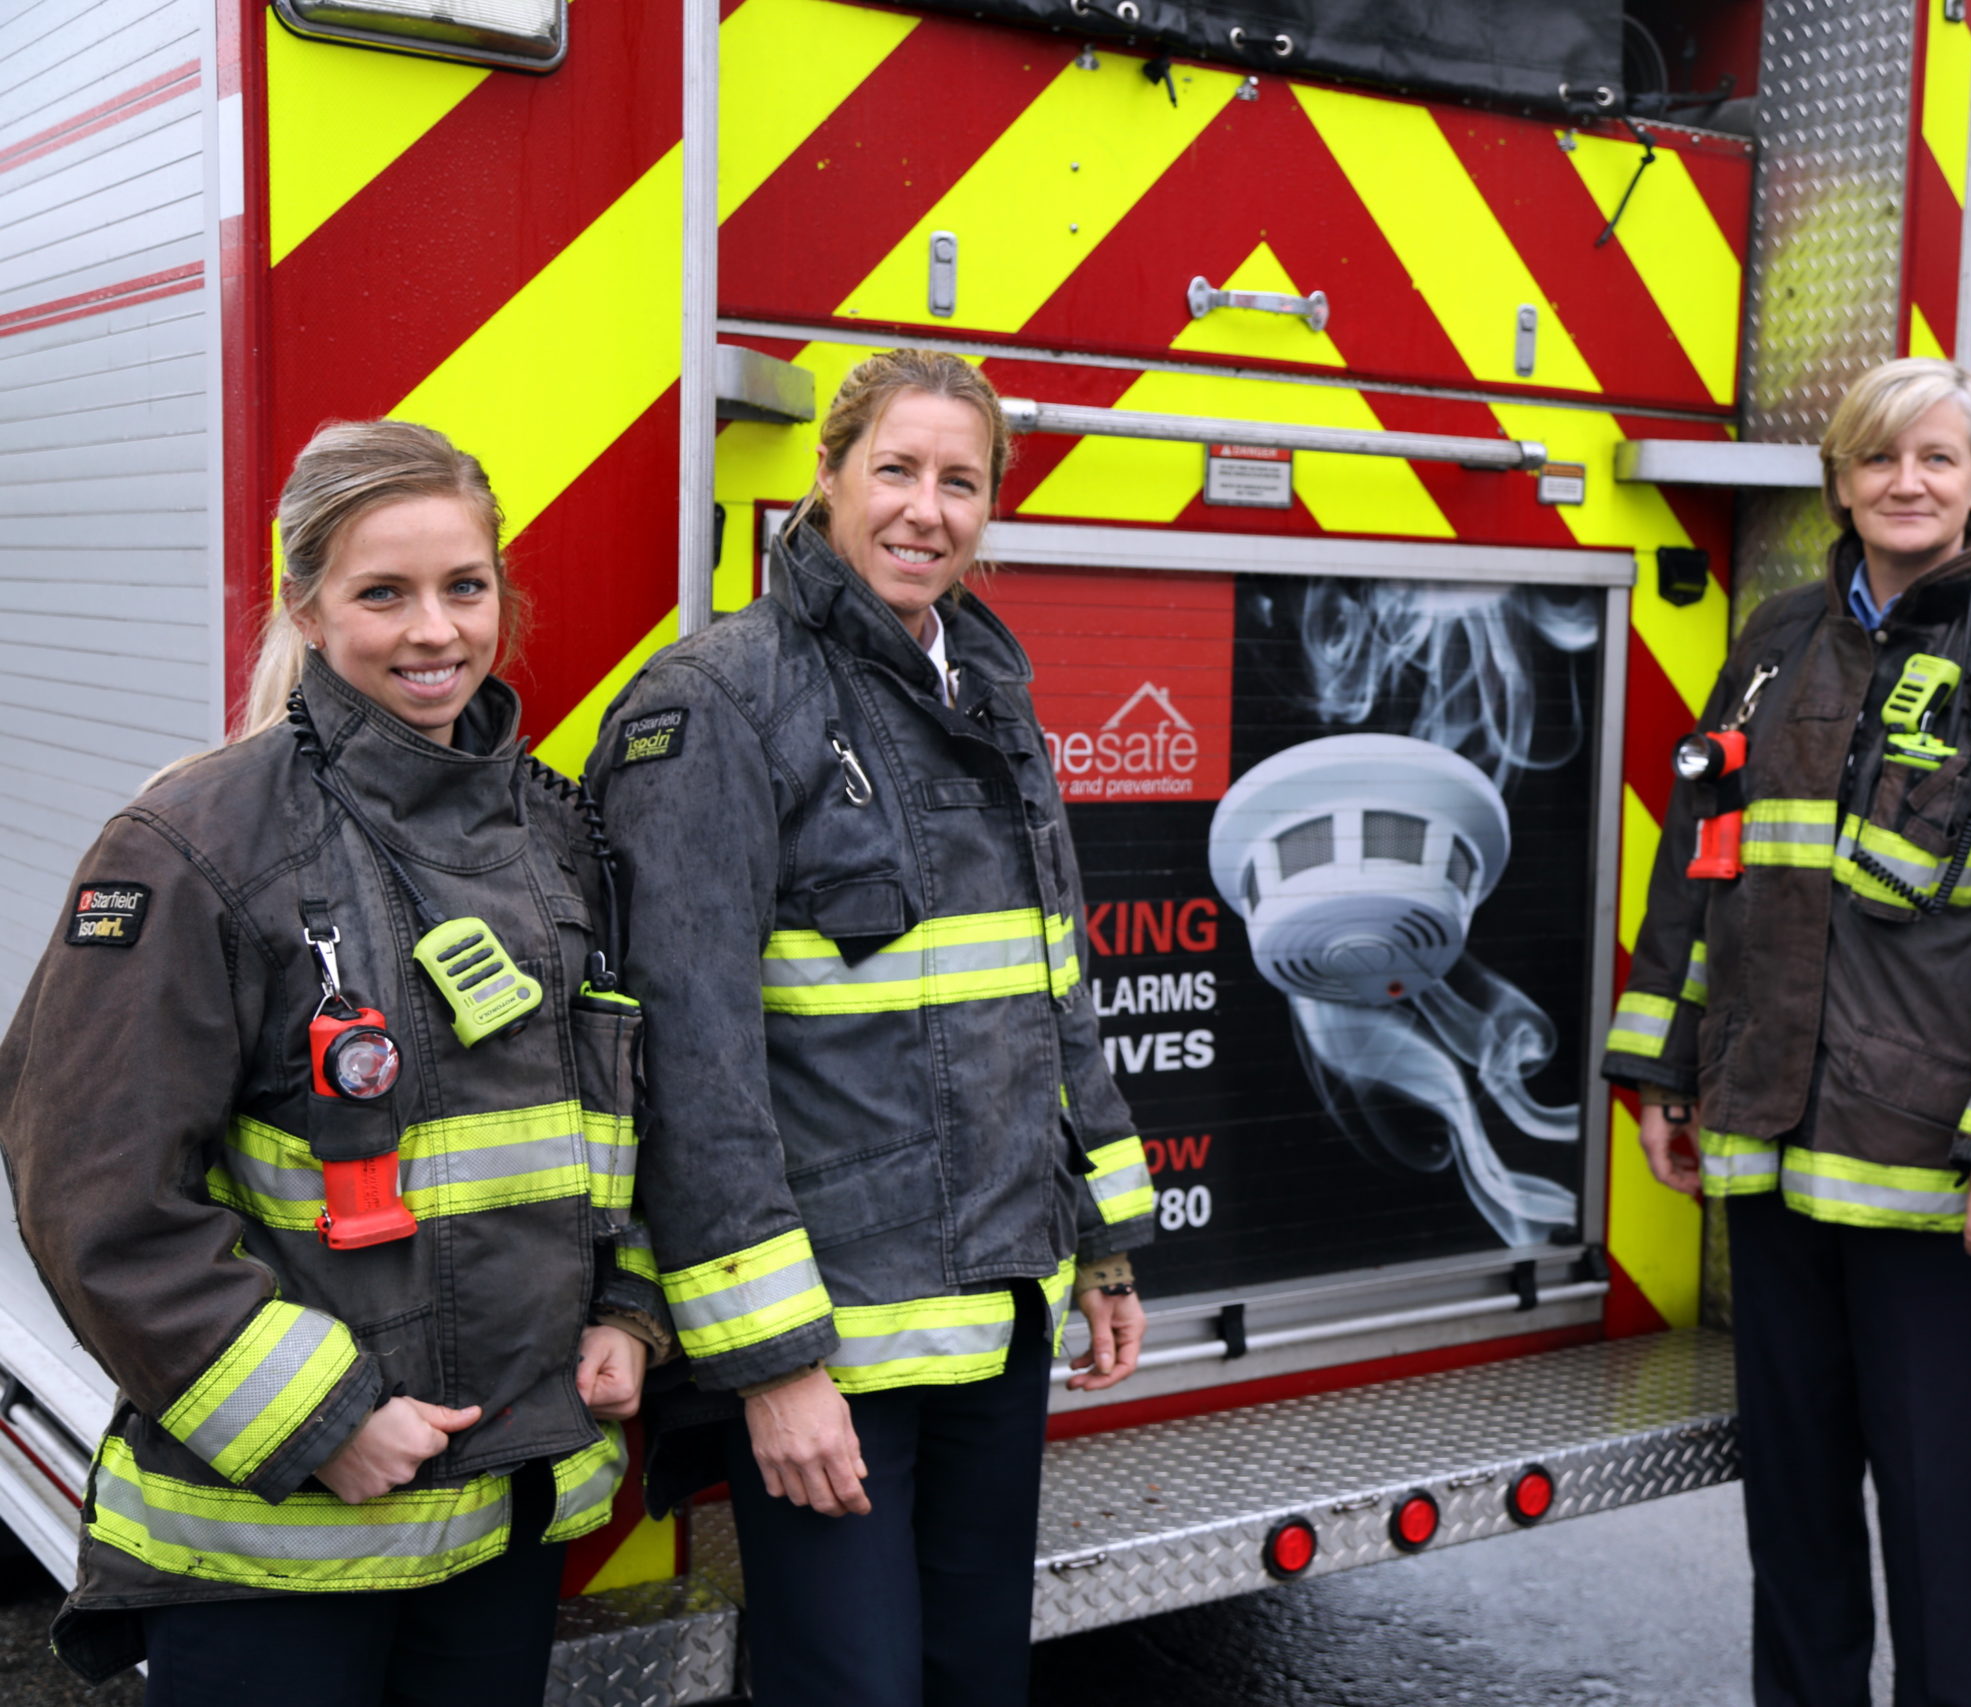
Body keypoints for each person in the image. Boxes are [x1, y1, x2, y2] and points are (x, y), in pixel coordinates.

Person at [0, 421, 667, 1704]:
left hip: (502, 1518)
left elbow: (612, 1113)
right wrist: (323, 1421)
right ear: (305, 608)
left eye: (464, 587)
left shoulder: (551, 829)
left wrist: (626, 1308)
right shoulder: (191, 842)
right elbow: (93, 1191)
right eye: (383, 593)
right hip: (281, 1550)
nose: (435, 632)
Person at [587, 348, 1155, 1706]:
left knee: (975, 1677)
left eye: (962, 481)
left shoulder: (994, 700)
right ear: (828, 478)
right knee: (851, 1686)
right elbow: (691, 1057)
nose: (926, 509)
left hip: (999, 1320)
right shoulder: (718, 700)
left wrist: (1106, 1243)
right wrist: (775, 1367)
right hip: (831, 1335)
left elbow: (1048, 989)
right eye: (895, 468)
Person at [1602, 357, 1971, 1706]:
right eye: (1877, 459)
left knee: (1937, 1521)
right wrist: (1665, 1070)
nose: (1906, 482)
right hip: (1779, 1151)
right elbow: (1701, 864)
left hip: (1941, 1178)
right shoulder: (1776, 643)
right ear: (1840, 483)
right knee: (1792, 1512)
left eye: (1937, 457)